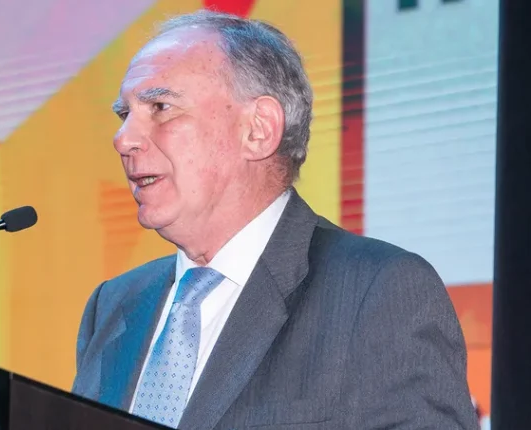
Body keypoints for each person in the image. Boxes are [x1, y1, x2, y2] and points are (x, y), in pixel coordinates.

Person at [71, 9, 478, 430]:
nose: (123, 139)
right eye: (124, 115)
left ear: (259, 130)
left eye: (160, 107)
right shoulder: (114, 305)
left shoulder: (377, 291)